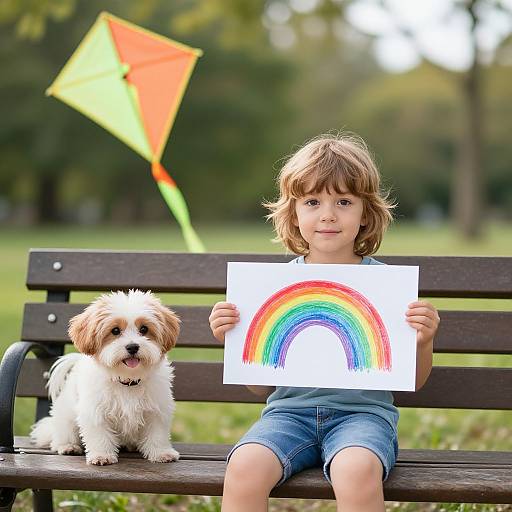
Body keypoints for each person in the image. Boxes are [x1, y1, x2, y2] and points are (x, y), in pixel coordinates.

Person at [209, 133, 440, 512]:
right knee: (244, 466)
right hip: (287, 415)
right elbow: (258, 387)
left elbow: (412, 382)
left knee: (355, 469)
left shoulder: (388, 288)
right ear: (294, 213)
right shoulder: (273, 291)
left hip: (363, 418)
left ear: (365, 213)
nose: (328, 214)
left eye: (344, 202)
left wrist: (423, 340)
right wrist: (234, 339)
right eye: (313, 202)